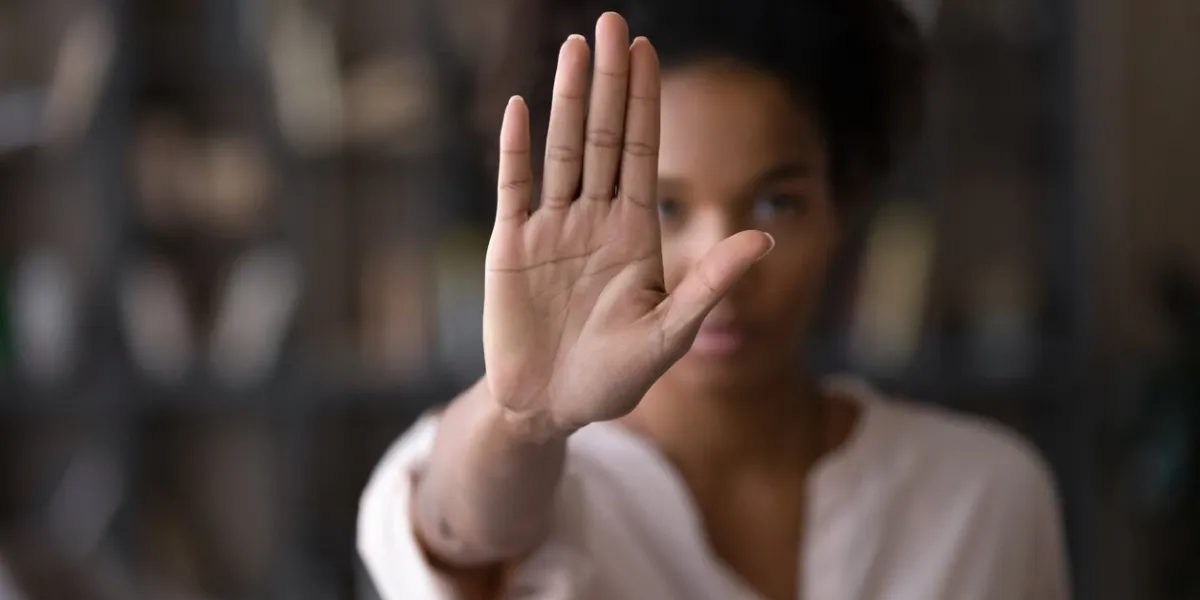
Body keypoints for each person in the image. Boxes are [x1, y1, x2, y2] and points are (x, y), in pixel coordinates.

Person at [357, 1, 1071, 598]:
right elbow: (463, 522)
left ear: (842, 206)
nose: (720, 267)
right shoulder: (516, 461)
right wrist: (523, 416)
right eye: (665, 208)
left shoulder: (985, 498)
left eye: (776, 202)